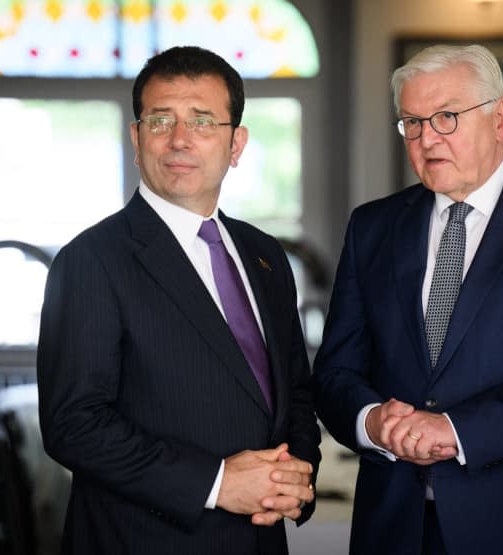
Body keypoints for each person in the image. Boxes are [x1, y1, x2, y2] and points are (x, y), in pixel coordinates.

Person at [312, 43, 503, 555]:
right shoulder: (372, 226)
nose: (426, 138)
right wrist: (371, 422)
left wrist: (455, 430)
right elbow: (334, 372)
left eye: (445, 117)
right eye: (411, 123)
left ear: (498, 118)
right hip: (396, 522)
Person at [36, 45, 321, 555]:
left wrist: (293, 477)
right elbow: (73, 424)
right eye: (160, 120)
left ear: (237, 143)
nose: (180, 140)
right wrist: (216, 483)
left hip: (259, 539)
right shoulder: (91, 259)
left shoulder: (266, 256)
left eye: (203, 121)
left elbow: (295, 390)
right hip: (144, 540)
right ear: (136, 137)